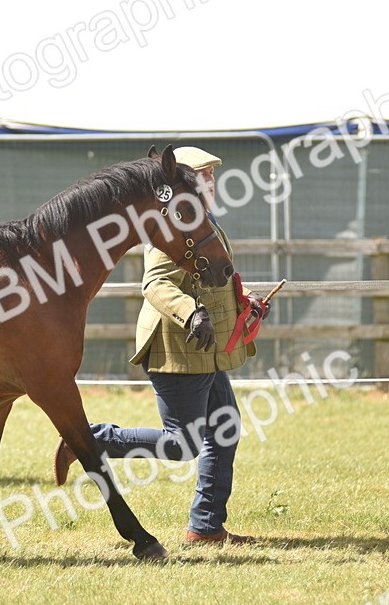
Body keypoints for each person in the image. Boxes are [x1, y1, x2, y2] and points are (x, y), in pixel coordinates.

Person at [53, 146, 269, 544]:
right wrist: (190, 313)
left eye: (211, 175)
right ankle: (90, 440)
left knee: (225, 429)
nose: (210, 181)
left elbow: (213, 279)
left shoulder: (204, 221)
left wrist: (246, 300)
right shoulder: (170, 225)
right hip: (178, 348)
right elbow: (156, 284)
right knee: (182, 444)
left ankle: (205, 526)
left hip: (208, 349)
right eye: (202, 175)